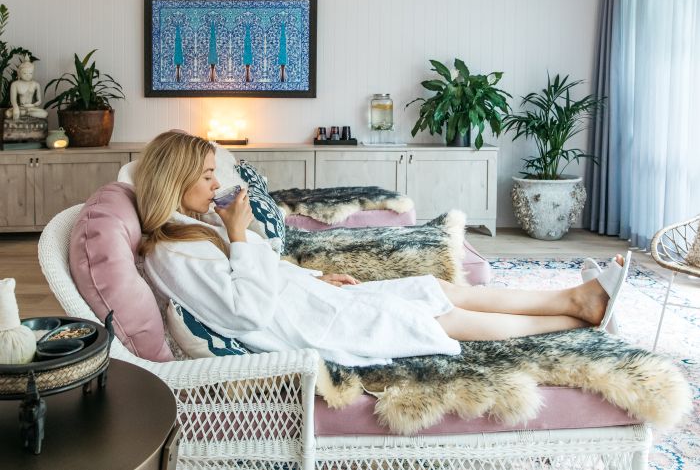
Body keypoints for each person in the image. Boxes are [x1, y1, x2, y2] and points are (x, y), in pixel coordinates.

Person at [136, 131, 630, 367]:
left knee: (430, 287)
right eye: (204, 175)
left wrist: (314, 277)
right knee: (434, 319)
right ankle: (576, 317)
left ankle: (574, 298)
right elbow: (246, 312)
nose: (213, 183)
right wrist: (241, 235)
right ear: (174, 180)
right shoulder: (172, 253)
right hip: (305, 330)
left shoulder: (195, 230)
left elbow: (262, 278)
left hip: (312, 302)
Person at [4, 55, 49, 121]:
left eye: (30, 73)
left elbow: (39, 100)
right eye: (25, 73)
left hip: (31, 108)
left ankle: (25, 113)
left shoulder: (36, 84)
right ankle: (25, 113)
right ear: (19, 73)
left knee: (44, 113)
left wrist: (32, 105)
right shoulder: (15, 84)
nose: (28, 75)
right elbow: (13, 100)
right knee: (7, 113)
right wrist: (16, 108)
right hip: (20, 107)